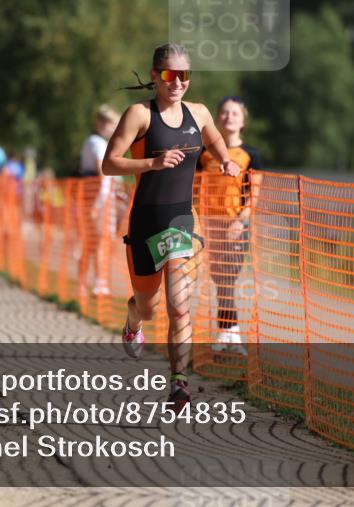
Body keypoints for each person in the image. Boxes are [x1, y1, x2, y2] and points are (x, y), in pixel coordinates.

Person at [102, 43, 240, 410]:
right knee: (149, 306)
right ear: (154, 76)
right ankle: (133, 320)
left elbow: (212, 137)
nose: (177, 82)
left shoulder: (198, 112)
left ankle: (179, 383)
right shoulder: (140, 115)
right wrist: (152, 163)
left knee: (180, 306)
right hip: (146, 221)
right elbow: (109, 164)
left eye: (184, 75)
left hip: (181, 220)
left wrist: (225, 159)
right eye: (168, 74)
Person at [198, 97, 262, 351]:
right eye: (224, 113)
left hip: (236, 224)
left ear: (243, 120)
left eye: (234, 113)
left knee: (228, 276)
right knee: (218, 277)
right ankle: (229, 333)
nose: (229, 117)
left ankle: (230, 332)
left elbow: (254, 192)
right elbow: (194, 187)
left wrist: (241, 220)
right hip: (208, 223)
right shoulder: (204, 153)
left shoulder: (251, 155)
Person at [79, 105, 121, 296]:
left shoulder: (93, 142)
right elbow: (102, 172)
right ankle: (98, 282)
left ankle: (88, 281)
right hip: (99, 200)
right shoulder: (97, 143)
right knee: (99, 242)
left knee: (94, 242)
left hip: (98, 198)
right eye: (110, 123)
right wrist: (98, 204)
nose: (112, 128)